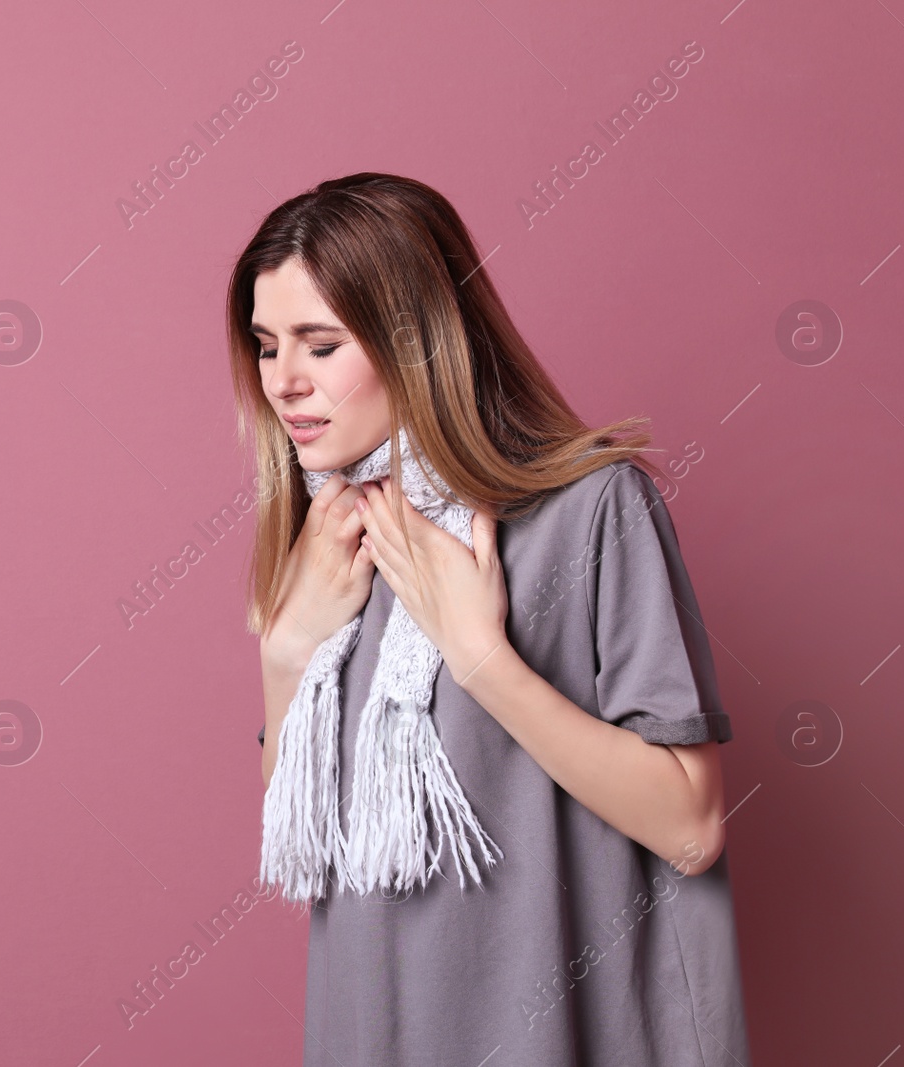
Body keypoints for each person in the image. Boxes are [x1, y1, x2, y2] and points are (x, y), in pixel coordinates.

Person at [226, 173, 752, 1066]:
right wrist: (287, 649)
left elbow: (691, 826)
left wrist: (478, 654)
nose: (284, 382)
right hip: (374, 1030)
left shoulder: (591, 510)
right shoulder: (334, 536)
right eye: (267, 345)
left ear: (416, 341)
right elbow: (305, 838)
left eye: (320, 344)